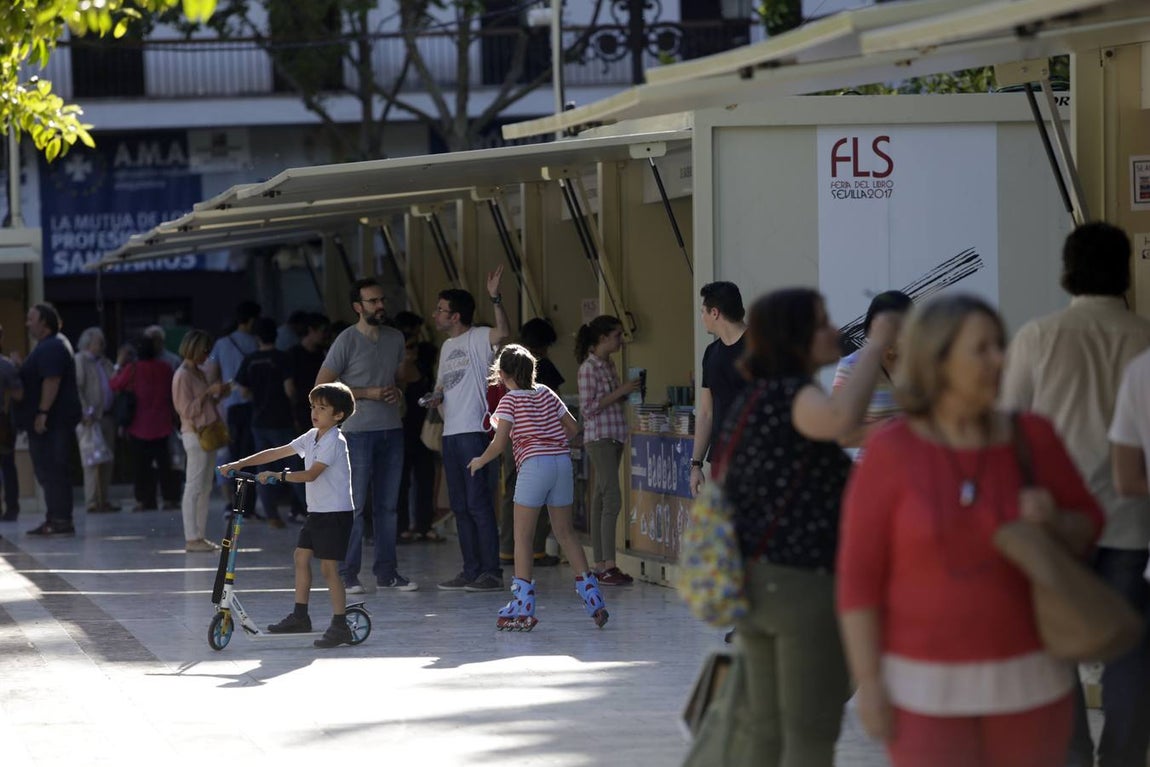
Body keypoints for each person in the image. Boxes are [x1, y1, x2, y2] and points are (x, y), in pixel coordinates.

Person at [838, 294, 1104, 767]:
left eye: (1000, 345)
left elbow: (1089, 525)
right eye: (981, 349)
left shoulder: (1032, 437)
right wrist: (870, 683)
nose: (1000, 359)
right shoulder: (891, 452)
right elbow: (858, 578)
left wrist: (1057, 521)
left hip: (1032, 690)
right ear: (938, 358)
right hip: (924, 700)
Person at [683, 288, 898, 767]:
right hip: (797, 586)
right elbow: (844, 422)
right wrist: (877, 342)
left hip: (758, 582)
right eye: (821, 322)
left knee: (766, 725)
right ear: (797, 338)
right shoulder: (793, 394)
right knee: (809, 729)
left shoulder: (759, 395)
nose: (832, 330)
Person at [998, 223, 1150, 767]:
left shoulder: (1039, 337)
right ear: (1124, 270)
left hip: (1057, 522)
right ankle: (1124, 758)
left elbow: (1005, 429)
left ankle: (1070, 757)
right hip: (1133, 519)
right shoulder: (1145, 336)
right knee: (1130, 650)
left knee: (1056, 647)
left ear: (1068, 270)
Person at [467, 344, 608, 629]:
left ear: (502, 374)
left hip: (534, 466)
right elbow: (573, 428)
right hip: (561, 463)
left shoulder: (509, 401)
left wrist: (480, 461)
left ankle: (523, 603)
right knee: (566, 533)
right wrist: (549, 439)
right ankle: (594, 599)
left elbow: (499, 442)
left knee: (523, 537)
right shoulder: (546, 392)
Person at [217, 382, 358, 649]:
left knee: (329, 569)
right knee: (301, 557)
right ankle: (300, 616)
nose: (315, 412)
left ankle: (340, 625)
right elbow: (277, 452)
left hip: (335, 513)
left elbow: (311, 474)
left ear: (338, 415)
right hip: (317, 511)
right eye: (313, 407)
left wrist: (278, 475)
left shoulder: (334, 441)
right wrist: (240, 463)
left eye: (323, 408)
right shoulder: (312, 435)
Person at [316, 278, 416, 593]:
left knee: (388, 507)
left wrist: (399, 389)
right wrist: (366, 392)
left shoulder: (395, 338)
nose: (380, 306)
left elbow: (400, 378)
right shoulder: (346, 341)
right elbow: (322, 386)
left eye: (382, 300)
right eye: (372, 301)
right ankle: (348, 572)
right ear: (358, 307)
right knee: (355, 506)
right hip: (356, 434)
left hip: (391, 430)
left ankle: (387, 572)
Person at [431, 267, 510, 592]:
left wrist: (495, 297)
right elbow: (442, 387)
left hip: (476, 433)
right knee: (460, 506)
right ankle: (470, 569)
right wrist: (435, 398)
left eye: (441, 310)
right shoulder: (446, 348)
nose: (435, 314)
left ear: (457, 316)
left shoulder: (478, 336)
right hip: (451, 433)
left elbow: (503, 332)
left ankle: (491, 571)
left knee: (478, 504)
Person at [576, 315, 641, 586]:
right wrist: (621, 391)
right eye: (616, 336)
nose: (621, 341)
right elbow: (588, 408)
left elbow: (610, 399)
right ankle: (607, 565)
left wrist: (629, 391)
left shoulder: (608, 365)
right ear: (602, 339)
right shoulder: (588, 368)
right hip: (599, 436)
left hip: (615, 434)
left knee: (602, 496)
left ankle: (601, 563)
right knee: (612, 498)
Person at [498, 318, 563, 566]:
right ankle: (536, 549)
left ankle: (506, 548)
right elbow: (555, 406)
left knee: (511, 491)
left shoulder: (510, 362)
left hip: (511, 437)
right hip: (538, 443)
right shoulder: (542, 366)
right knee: (542, 494)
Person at [235, 317, 305, 528]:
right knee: (294, 468)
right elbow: (289, 389)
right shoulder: (283, 358)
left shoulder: (250, 359)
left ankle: (272, 515)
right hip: (282, 419)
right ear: (276, 334)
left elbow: (244, 391)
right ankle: (310, 512)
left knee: (263, 468)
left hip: (259, 421)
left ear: (257, 337)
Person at [19, 303, 83, 537]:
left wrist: (42, 412)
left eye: (30, 319)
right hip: (52, 423)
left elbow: (52, 380)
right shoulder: (50, 345)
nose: (27, 323)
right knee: (50, 472)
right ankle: (55, 518)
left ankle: (59, 521)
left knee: (53, 470)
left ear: (44, 322)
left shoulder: (52, 346)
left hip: (53, 423)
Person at [832, 290, 914, 449]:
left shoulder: (922, 363)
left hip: (924, 468)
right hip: (876, 468)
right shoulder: (852, 366)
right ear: (871, 327)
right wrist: (896, 426)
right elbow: (842, 436)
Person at [173, 329, 229, 552]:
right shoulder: (183, 375)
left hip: (207, 431)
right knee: (194, 485)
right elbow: (186, 410)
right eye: (205, 351)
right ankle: (191, 536)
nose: (207, 355)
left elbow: (206, 404)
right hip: (194, 434)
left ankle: (199, 535)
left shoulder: (198, 372)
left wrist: (219, 393)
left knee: (205, 486)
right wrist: (207, 393)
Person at [689, 281, 747, 497]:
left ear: (715, 313)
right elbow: (706, 413)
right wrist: (696, 464)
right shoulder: (711, 353)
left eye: (703, 311)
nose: (701, 317)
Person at [110, 336, 179, 512]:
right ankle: (170, 497)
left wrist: (118, 364)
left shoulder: (132, 369)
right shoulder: (165, 368)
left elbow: (114, 384)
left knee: (141, 466)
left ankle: (145, 500)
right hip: (163, 422)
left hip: (138, 424)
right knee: (165, 463)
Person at [393, 312, 442, 544]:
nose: (411, 347)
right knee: (400, 481)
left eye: (414, 343)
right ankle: (401, 526)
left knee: (425, 478)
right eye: (406, 344)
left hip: (423, 429)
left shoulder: (425, 359)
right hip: (399, 430)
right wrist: (403, 360)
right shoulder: (392, 366)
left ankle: (424, 524)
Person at [205, 301, 260, 486]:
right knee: (252, 454)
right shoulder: (256, 342)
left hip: (231, 406)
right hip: (255, 403)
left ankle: (236, 503)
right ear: (252, 320)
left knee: (234, 454)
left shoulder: (221, 344)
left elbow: (211, 373)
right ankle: (250, 504)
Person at [74, 326, 118, 512]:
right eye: (99, 342)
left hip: (106, 417)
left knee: (107, 460)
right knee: (91, 461)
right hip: (90, 419)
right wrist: (84, 412)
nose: (102, 346)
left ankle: (103, 499)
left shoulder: (105, 362)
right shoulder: (80, 360)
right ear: (89, 343)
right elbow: (78, 387)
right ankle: (92, 501)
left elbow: (115, 381)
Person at [288, 312, 329, 433]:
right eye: (323, 331)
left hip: (323, 408)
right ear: (311, 330)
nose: (326, 335)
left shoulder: (324, 353)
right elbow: (290, 388)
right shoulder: (293, 354)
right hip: (303, 410)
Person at [0, 325, 23, 521]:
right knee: (7, 465)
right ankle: (12, 507)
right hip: (3, 421)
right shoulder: (6, 365)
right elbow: (18, 394)